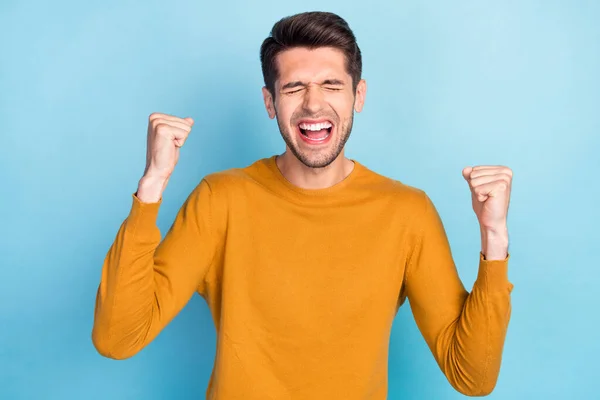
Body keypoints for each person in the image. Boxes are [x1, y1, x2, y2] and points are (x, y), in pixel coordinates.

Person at [92, 11, 514, 400]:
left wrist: (494, 236)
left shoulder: (406, 212)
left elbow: (472, 376)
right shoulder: (220, 200)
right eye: (294, 87)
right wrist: (153, 184)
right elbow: (117, 337)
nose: (313, 104)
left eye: (332, 85)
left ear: (358, 95)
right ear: (270, 102)